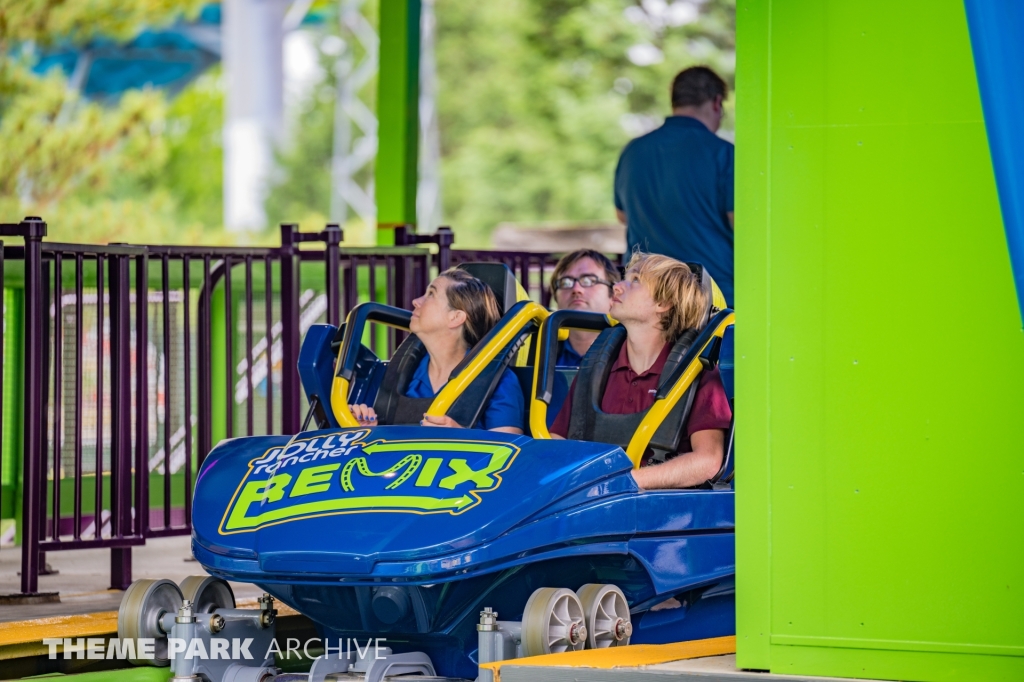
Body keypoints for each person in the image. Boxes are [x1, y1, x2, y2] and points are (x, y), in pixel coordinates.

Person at [549, 253, 731, 489]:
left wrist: (623, 484)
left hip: (659, 514)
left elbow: (707, 460)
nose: (617, 287)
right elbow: (559, 440)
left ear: (663, 303)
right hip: (589, 503)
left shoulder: (699, 373)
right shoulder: (596, 368)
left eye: (634, 280)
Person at [613, 66, 735, 305]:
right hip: (709, 296)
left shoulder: (633, 152)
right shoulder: (723, 154)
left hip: (646, 294)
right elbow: (740, 222)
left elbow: (621, 216)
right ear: (716, 103)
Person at [349, 268, 524, 434]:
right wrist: (371, 428)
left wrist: (459, 437)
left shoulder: (497, 380)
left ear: (455, 317)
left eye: (431, 294)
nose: (416, 301)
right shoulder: (398, 373)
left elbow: (509, 452)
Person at [549, 249, 620, 366]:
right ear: (556, 298)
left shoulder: (631, 352)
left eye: (588, 281)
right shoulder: (536, 349)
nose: (576, 289)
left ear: (613, 295)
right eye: (565, 283)